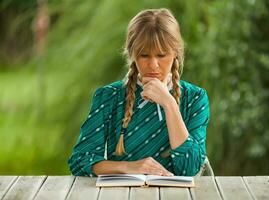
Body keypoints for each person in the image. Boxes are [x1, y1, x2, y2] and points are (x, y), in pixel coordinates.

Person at [68, 8, 210, 177]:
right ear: (132, 54)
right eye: (144, 55)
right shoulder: (108, 97)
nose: (153, 65)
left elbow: (190, 168)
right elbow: (80, 161)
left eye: (161, 55)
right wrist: (129, 167)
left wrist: (169, 104)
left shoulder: (195, 98)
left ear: (175, 54)